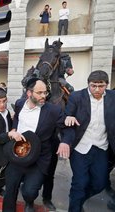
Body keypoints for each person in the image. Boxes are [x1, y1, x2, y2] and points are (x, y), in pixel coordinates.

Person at [2, 78, 72, 212]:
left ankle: (29, 200)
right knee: (10, 190)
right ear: (29, 93)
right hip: (18, 154)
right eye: (39, 93)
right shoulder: (19, 103)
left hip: (39, 158)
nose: (43, 96)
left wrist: (64, 141)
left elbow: (67, 128)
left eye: (45, 93)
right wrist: (14, 129)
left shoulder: (53, 110)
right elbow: (17, 118)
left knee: (30, 192)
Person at [61, 70, 115, 212]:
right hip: (80, 148)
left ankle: (78, 199)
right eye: (93, 86)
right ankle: (75, 207)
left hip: (102, 148)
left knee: (100, 183)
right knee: (80, 183)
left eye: (101, 86)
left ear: (106, 85)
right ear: (88, 85)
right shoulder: (76, 97)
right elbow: (66, 120)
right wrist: (68, 120)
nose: (97, 89)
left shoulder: (113, 97)